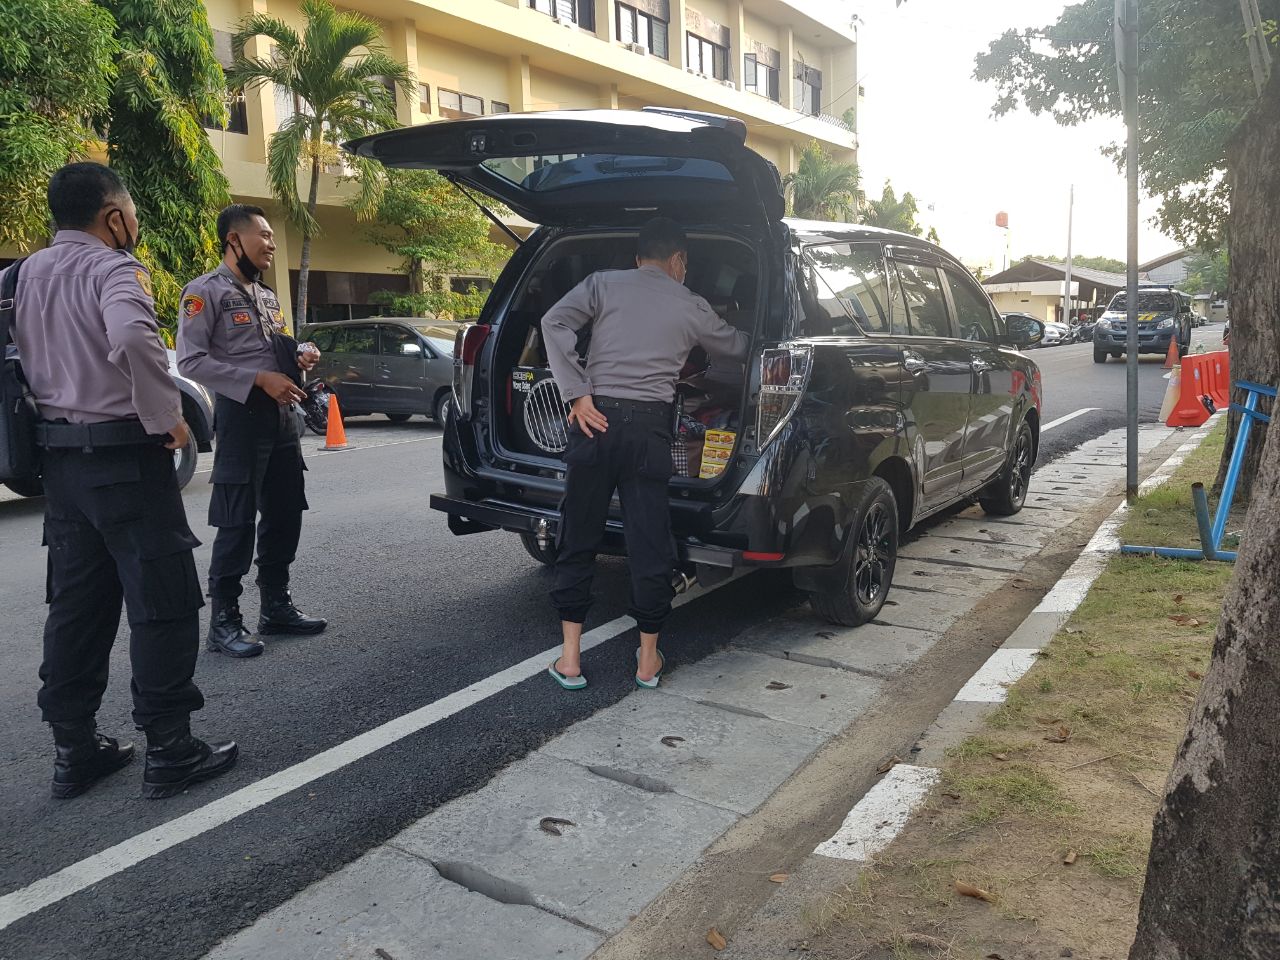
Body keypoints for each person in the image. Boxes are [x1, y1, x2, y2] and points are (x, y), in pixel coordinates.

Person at [7, 162, 237, 799]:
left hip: (60, 467)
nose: (135, 223)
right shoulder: (114, 270)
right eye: (131, 212)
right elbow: (135, 338)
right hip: (125, 459)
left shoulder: (18, 276)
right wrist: (169, 419)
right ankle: (170, 748)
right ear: (114, 217)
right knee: (162, 600)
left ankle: (74, 748)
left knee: (77, 607)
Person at [541, 217, 750, 690]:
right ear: (678, 260)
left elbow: (553, 321)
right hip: (649, 431)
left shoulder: (602, 284)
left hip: (593, 422)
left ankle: (570, 659)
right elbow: (738, 348)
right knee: (649, 540)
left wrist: (577, 392)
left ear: (639, 259)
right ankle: (648, 661)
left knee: (578, 534)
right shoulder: (691, 303)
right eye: (684, 265)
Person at [177, 204, 326, 658]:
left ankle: (275, 607)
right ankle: (224, 622)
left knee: (285, 511)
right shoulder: (203, 292)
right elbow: (190, 361)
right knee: (236, 520)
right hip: (241, 418)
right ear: (234, 240)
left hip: (281, 418)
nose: (271, 244)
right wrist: (259, 380)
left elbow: (271, 348)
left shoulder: (265, 295)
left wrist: (298, 356)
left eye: (272, 236)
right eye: (264, 235)